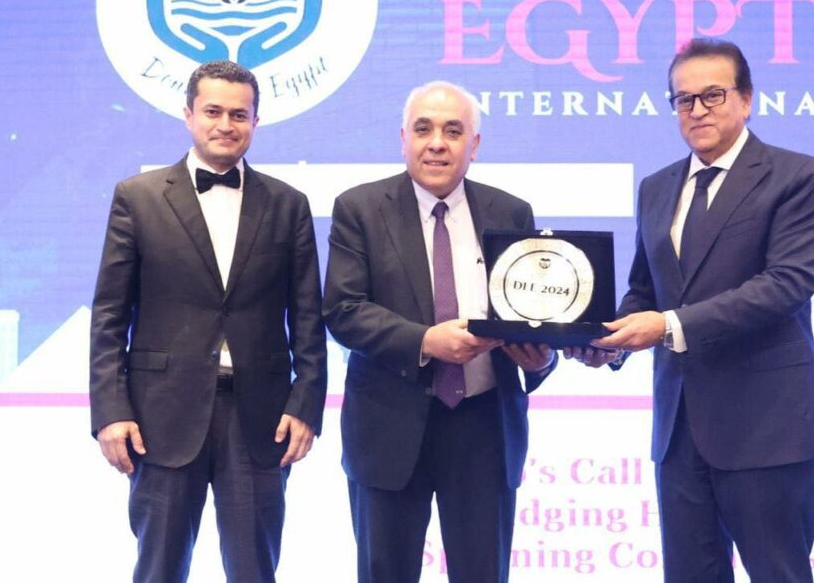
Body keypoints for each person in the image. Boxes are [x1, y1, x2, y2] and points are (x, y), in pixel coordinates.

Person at [574, 39, 814, 582]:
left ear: (747, 100)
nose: (697, 110)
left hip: (766, 427)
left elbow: (786, 284)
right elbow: (645, 292)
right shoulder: (656, 188)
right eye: (683, 99)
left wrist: (667, 326)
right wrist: (605, 342)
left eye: (713, 95)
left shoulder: (799, 176)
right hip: (679, 429)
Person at [89, 60, 327, 582]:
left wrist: (306, 405)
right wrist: (110, 411)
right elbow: (109, 315)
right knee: (159, 569)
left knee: (254, 570)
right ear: (188, 115)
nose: (225, 124)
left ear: (256, 122)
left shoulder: (288, 205)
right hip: (159, 417)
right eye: (213, 111)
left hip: (261, 417)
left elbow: (308, 317)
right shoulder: (138, 198)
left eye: (239, 114)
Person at [323, 81, 556, 583]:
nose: (437, 144)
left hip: (484, 428)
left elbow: (531, 311)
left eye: (453, 131)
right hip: (388, 424)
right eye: (423, 129)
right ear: (402, 138)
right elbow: (343, 310)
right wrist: (426, 342)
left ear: (474, 145)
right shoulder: (360, 208)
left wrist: (542, 359)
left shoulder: (511, 212)